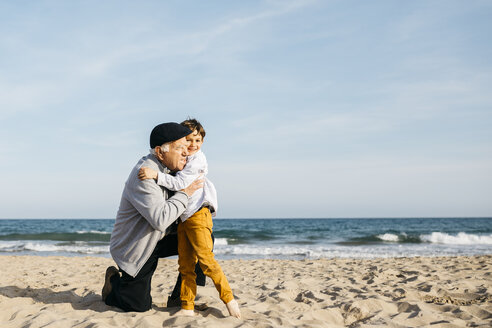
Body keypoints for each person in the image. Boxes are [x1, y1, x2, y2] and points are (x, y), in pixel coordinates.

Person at [138, 118, 241, 318]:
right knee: (185, 264)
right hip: (184, 217)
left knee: (206, 261)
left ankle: (229, 300)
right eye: (189, 140)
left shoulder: (198, 160)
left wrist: (155, 175)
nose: (193, 145)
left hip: (198, 214)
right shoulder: (184, 158)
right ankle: (186, 306)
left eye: (198, 140)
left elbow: (181, 184)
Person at [102, 122, 205, 312]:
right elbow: (160, 220)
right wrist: (185, 192)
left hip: (159, 238)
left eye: (187, 147)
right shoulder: (144, 174)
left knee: (203, 240)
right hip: (135, 246)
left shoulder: (175, 170)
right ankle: (113, 284)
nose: (186, 152)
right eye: (180, 148)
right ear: (160, 152)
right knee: (138, 307)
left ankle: (180, 298)